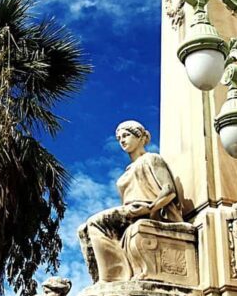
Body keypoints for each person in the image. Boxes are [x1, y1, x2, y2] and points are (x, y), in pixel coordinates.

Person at [77, 120, 183, 282]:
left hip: (143, 208)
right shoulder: (129, 169)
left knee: (94, 222)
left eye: (126, 135)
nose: (122, 141)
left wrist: (151, 207)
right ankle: (102, 278)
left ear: (140, 137)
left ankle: (112, 277)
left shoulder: (151, 159)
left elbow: (169, 190)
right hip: (131, 210)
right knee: (83, 230)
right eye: (119, 138)